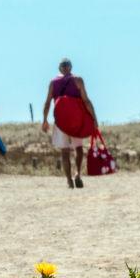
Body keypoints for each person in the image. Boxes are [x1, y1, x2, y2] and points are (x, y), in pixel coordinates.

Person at [42, 59, 97, 189]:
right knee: (78, 148)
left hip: (61, 121)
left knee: (65, 152)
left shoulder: (53, 83)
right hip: (77, 120)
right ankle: (77, 173)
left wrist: (44, 120)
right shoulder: (78, 80)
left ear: (60, 68)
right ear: (70, 67)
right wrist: (94, 119)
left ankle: (69, 181)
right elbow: (86, 101)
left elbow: (47, 103)